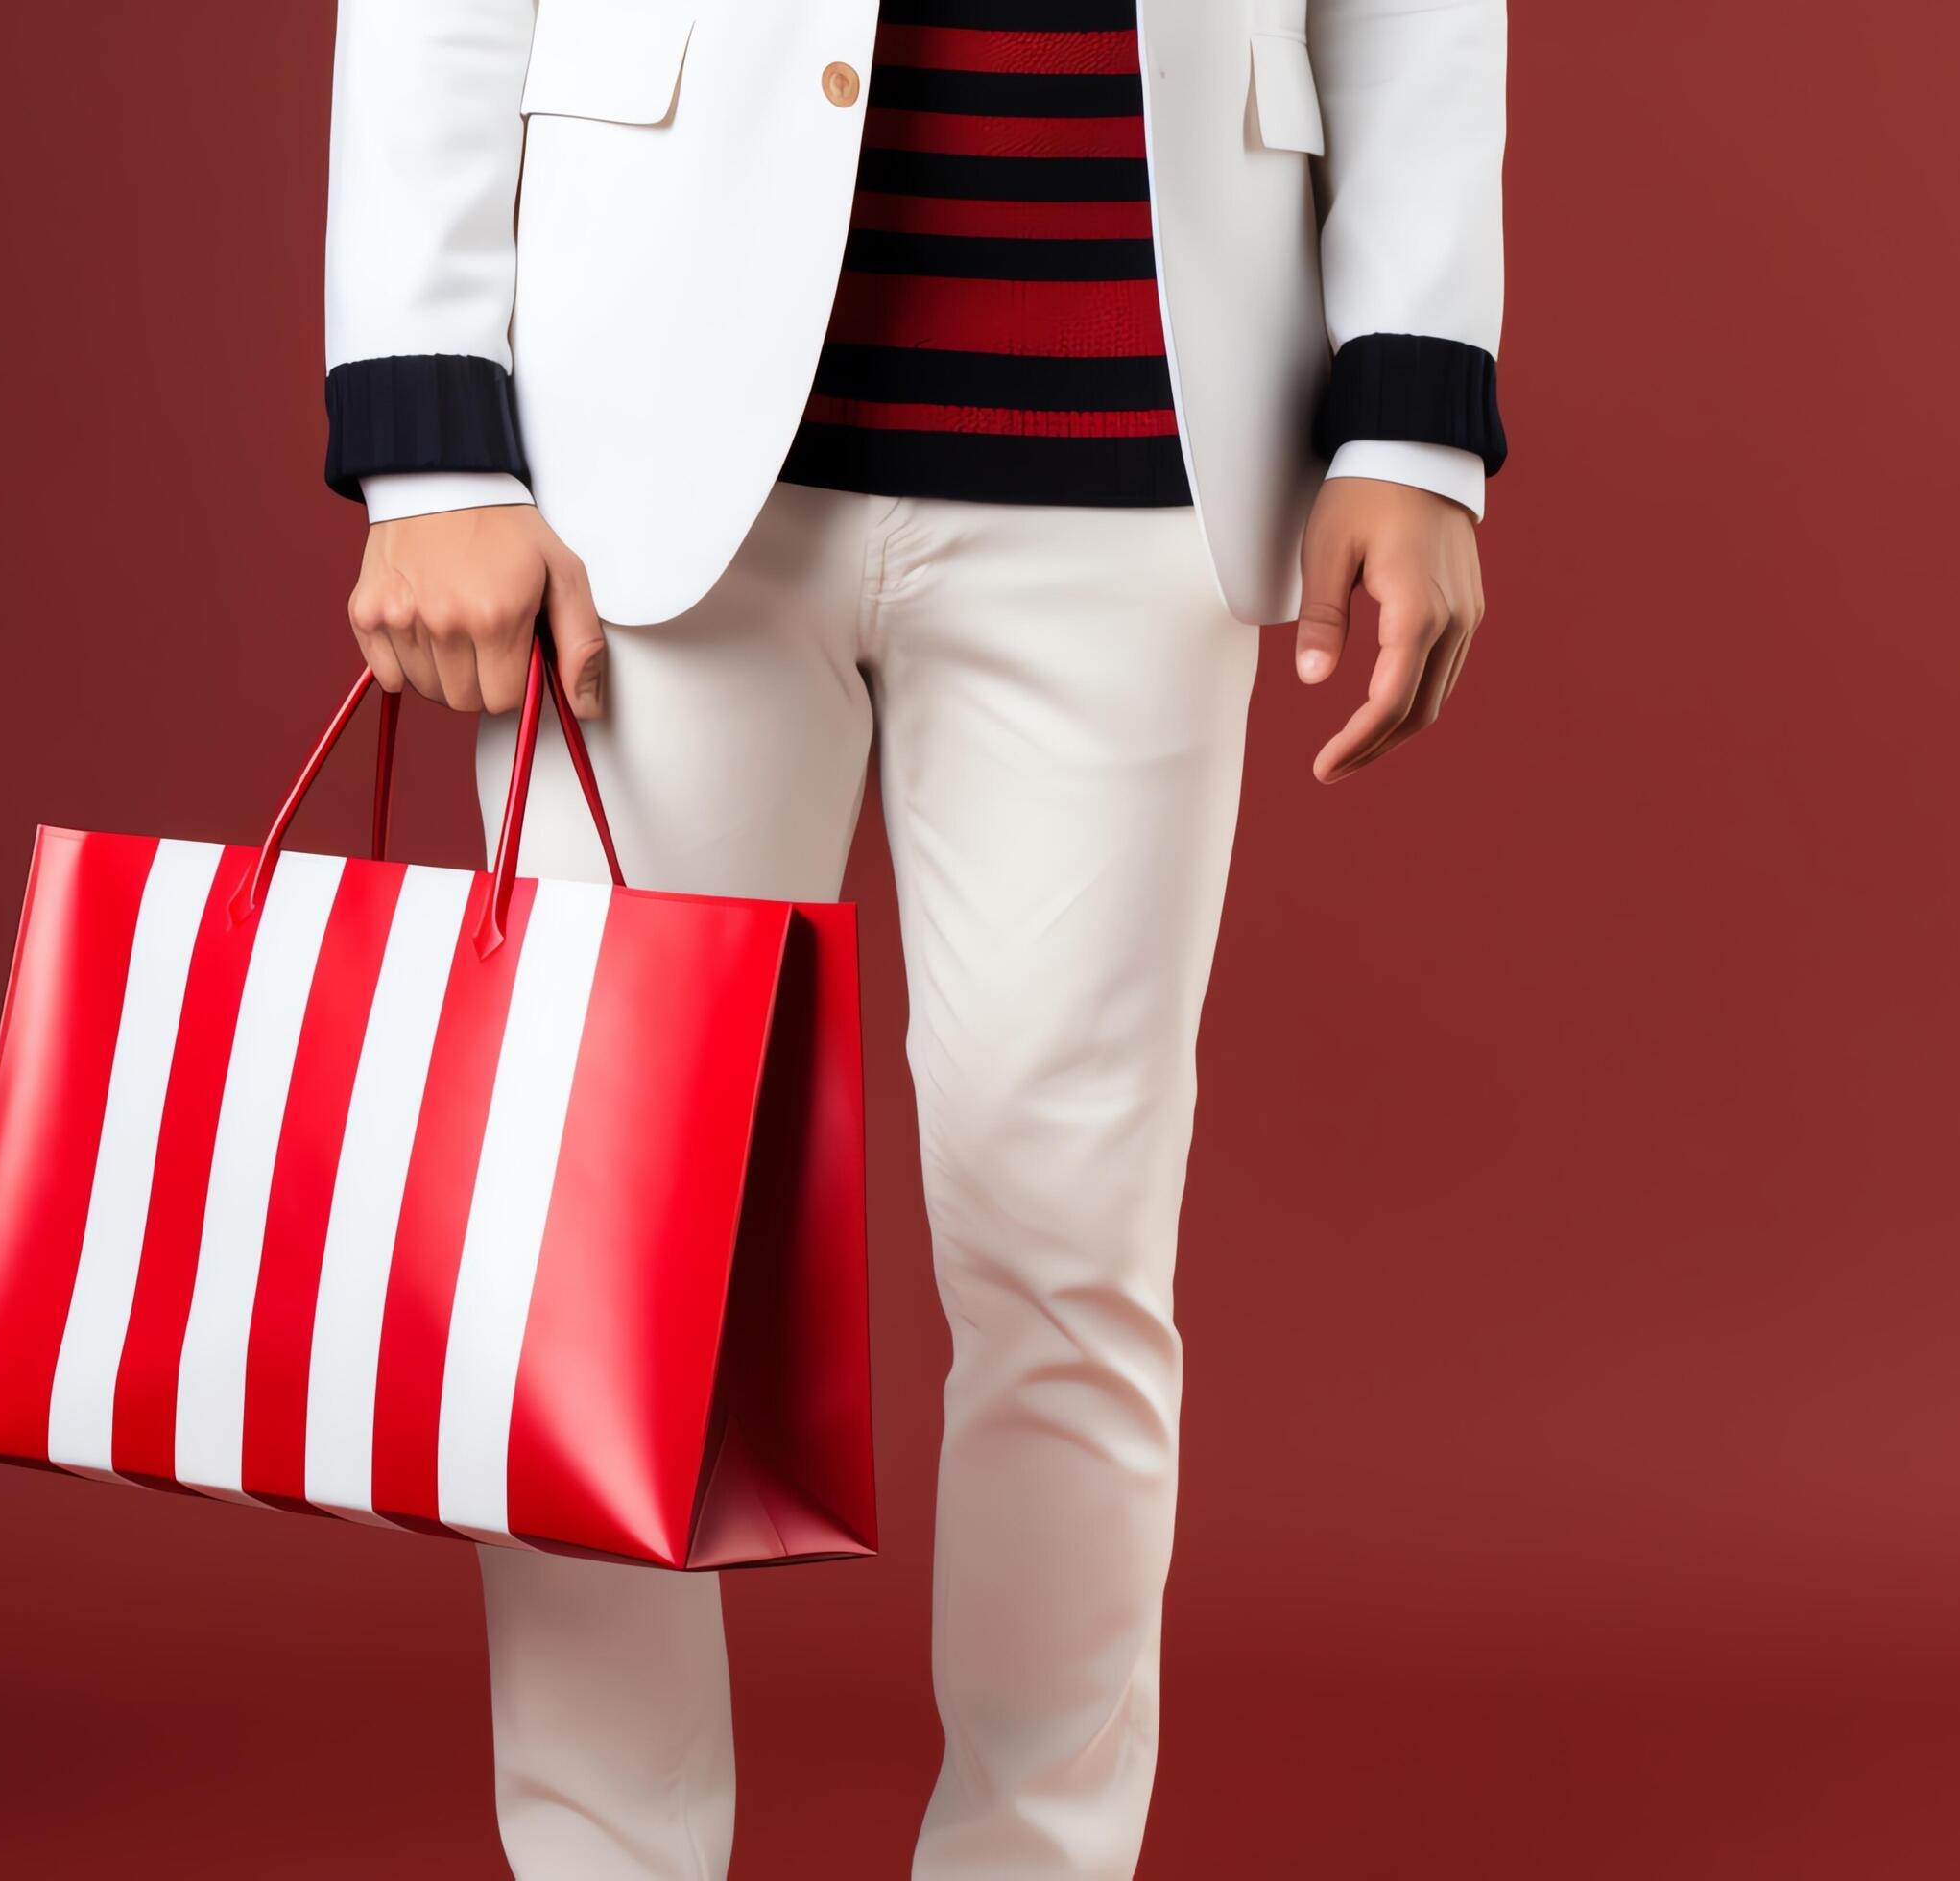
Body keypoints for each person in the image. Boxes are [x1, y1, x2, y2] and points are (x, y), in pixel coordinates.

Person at [320, 2, 1504, 1875]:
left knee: (1067, 1251)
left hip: (1141, 429)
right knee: (595, 1262)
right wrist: (430, 437)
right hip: (644, 429)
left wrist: (1418, 411)